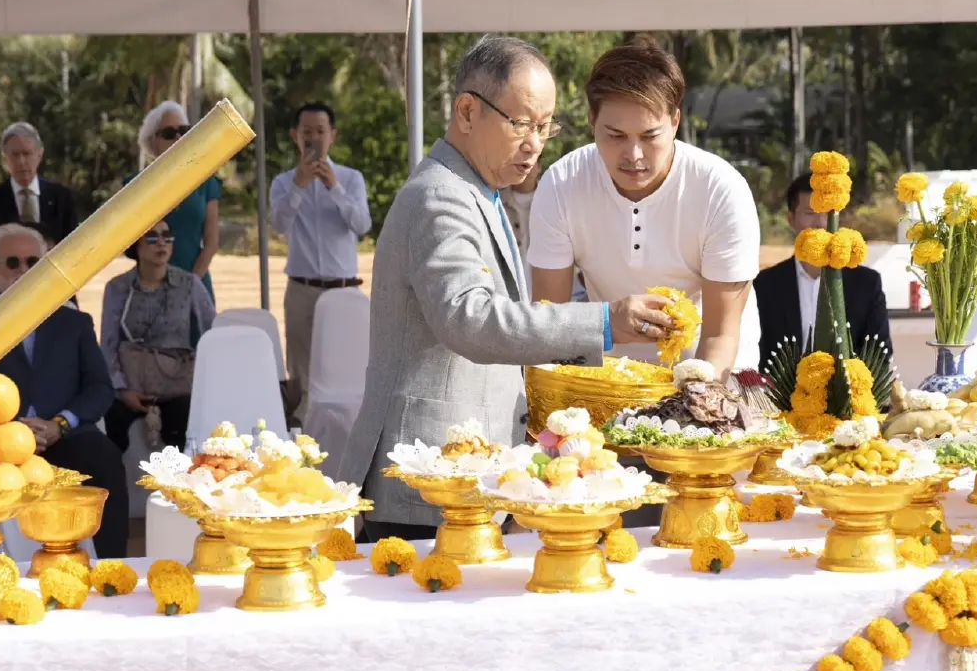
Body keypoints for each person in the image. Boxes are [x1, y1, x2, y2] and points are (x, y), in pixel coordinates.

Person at [336, 36, 674, 543]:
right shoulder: (440, 198)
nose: (535, 143)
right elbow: (469, 318)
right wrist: (603, 321)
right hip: (428, 486)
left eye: (544, 126)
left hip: (463, 481)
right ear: (467, 112)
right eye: (520, 123)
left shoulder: (480, 191)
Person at [527, 37, 760, 381]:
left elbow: (720, 335)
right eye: (615, 136)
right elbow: (552, 324)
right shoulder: (561, 184)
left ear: (676, 121)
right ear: (592, 121)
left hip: (711, 367)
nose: (633, 156)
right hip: (609, 371)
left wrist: (694, 406)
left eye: (650, 136)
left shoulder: (721, 189)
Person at [0, 223, 128, 558]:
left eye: (34, 262)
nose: (24, 271)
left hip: (66, 436)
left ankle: (113, 570)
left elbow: (100, 388)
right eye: (13, 262)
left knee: (105, 458)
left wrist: (60, 423)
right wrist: (10, 429)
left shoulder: (75, 324)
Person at [269, 103, 371, 422]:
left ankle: (345, 431)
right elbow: (279, 227)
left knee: (346, 365)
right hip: (301, 287)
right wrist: (299, 187)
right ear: (295, 137)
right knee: (300, 369)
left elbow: (362, 225)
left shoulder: (351, 179)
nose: (314, 138)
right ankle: (301, 429)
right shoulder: (283, 183)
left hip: (343, 290)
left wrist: (334, 188)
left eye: (320, 132)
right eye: (307, 132)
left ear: (333, 136)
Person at [100, 219, 216, 453]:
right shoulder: (118, 287)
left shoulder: (189, 283)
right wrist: (122, 390)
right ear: (137, 246)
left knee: (185, 424)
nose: (161, 243)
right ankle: (119, 488)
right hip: (132, 383)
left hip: (178, 382)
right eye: (152, 237)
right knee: (112, 424)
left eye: (167, 236)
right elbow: (108, 343)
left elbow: (212, 332)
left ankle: (184, 488)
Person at [756, 174, 891, 366]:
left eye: (828, 213)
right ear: (791, 219)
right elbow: (758, 353)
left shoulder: (867, 283)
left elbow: (880, 355)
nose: (820, 224)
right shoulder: (766, 285)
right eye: (810, 213)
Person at [0, 122, 80, 299]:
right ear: (5, 159)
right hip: (6, 296)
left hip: (56, 293)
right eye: (15, 155)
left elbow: (74, 248)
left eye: (27, 153)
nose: (21, 161)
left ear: (39, 155)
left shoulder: (62, 198)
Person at [135, 101, 221, 299]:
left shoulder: (206, 183)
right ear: (152, 140)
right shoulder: (136, 187)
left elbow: (212, 242)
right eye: (169, 134)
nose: (178, 138)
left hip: (196, 285)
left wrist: (190, 285)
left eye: (184, 131)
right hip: (149, 288)